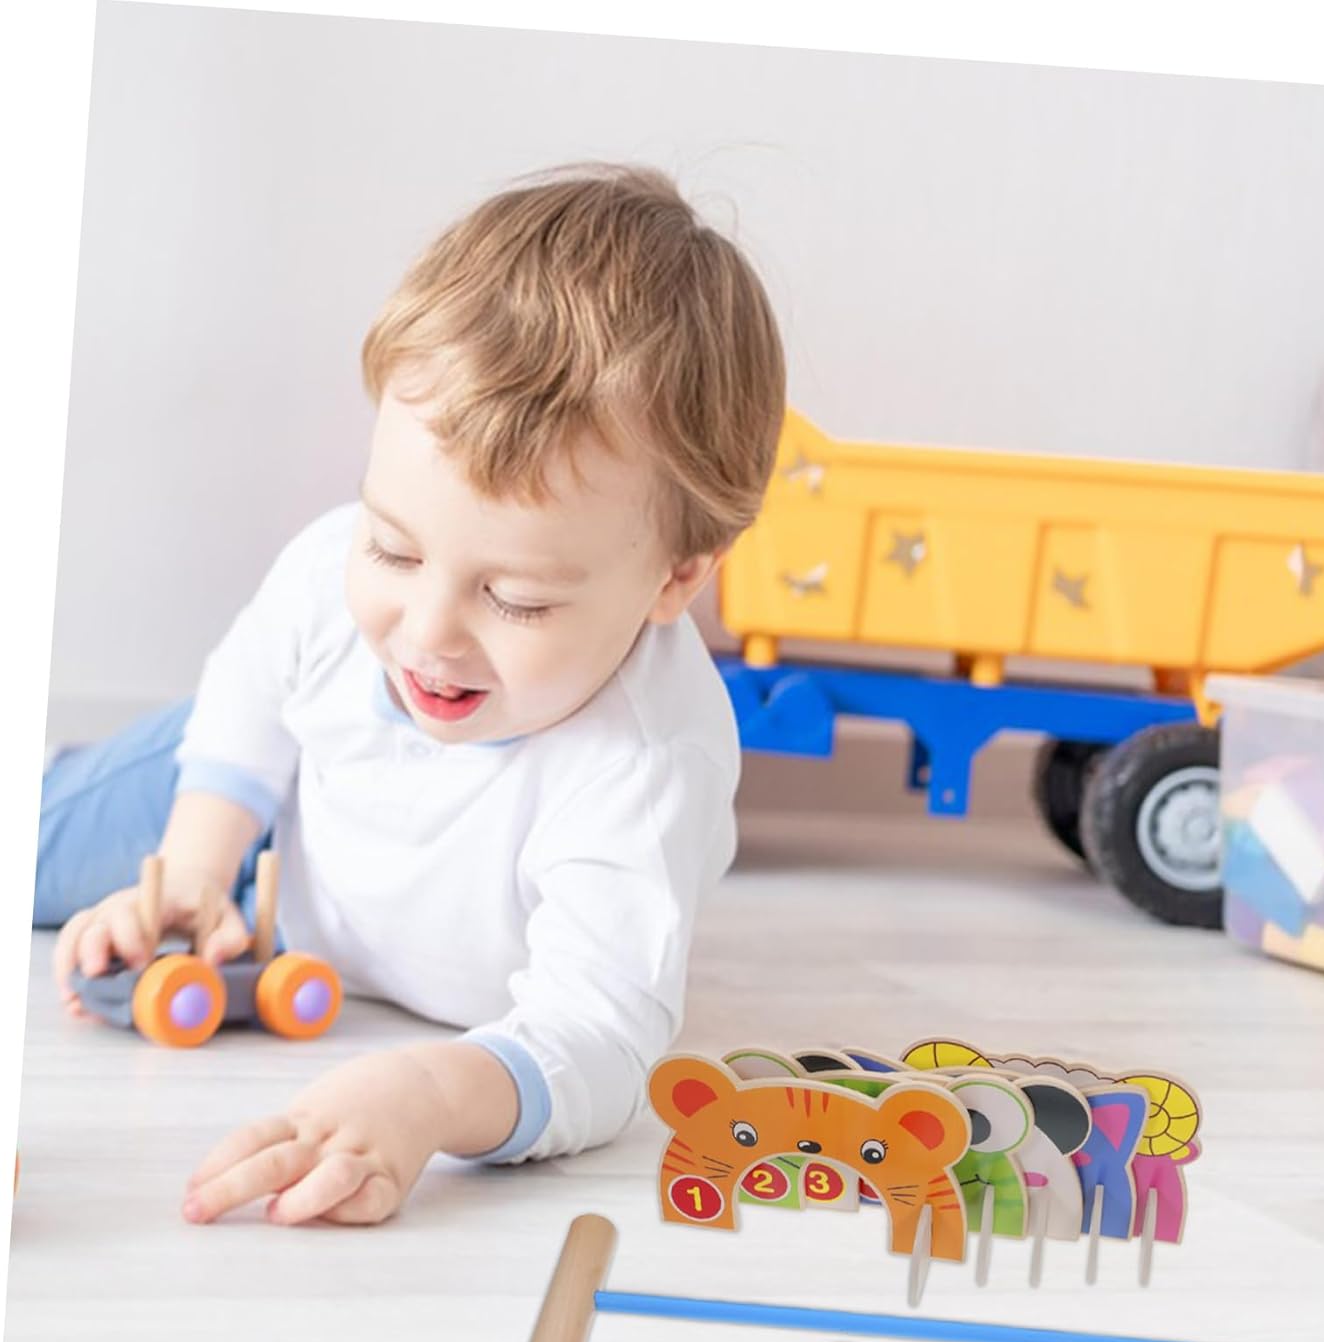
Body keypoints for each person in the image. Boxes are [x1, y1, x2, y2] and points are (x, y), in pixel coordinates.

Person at [34, 162, 785, 1227]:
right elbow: (250, 700)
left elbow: (600, 1041)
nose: (425, 634)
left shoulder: (646, 768)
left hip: (316, 880)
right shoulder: (327, 587)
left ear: (676, 579)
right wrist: (196, 865)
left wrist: (432, 1093)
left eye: (516, 599)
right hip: (261, 796)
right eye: (390, 547)